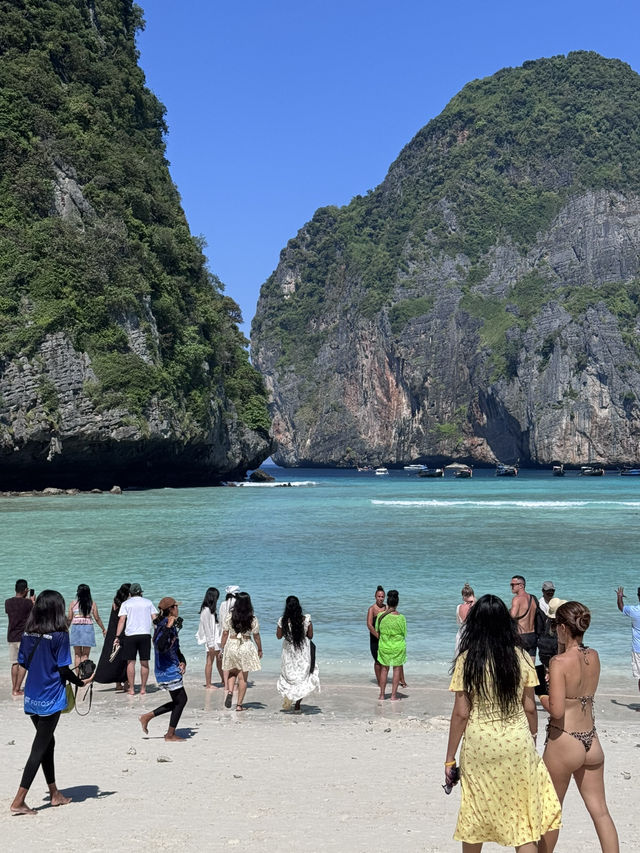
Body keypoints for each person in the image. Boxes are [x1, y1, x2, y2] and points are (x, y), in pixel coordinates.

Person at [445, 594, 561, 852]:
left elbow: (461, 714)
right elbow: (530, 707)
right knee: (522, 820)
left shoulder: (467, 660)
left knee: (474, 813)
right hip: (516, 742)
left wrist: (450, 758)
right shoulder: (521, 656)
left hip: (480, 744)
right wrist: (531, 738)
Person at [539, 601, 619, 853]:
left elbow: (558, 709)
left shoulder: (559, 662)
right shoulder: (593, 656)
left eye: (555, 626)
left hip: (565, 739)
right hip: (591, 740)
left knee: (551, 812)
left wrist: (540, 695)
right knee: (601, 812)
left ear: (563, 628)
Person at [10, 590, 92, 815]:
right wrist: (82, 682)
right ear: (57, 610)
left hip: (32, 697)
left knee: (48, 743)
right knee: (39, 747)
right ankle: (19, 800)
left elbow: (23, 664)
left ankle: (54, 793)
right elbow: (64, 669)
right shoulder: (59, 636)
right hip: (51, 697)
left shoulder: (28, 633)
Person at [139, 597, 188, 742]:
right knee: (181, 700)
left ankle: (147, 717)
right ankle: (169, 734)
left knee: (179, 700)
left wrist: (182, 661)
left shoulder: (170, 625)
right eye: (176, 607)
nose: (178, 609)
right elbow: (159, 646)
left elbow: (175, 648)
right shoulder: (163, 626)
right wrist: (167, 628)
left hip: (172, 666)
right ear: (171, 609)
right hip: (166, 669)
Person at [276, 595, 320, 711]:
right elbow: (310, 636)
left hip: (288, 650)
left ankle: (289, 696)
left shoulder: (283, 620)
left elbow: (279, 636)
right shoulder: (306, 619)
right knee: (302, 676)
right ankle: (297, 703)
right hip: (303, 650)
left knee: (289, 675)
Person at [220, 591, 262, 711]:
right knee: (243, 678)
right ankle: (239, 705)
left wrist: (222, 648)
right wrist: (260, 648)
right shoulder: (252, 618)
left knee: (232, 672)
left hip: (232, 645)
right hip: (246, 646)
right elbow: (257, 636)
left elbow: (225, 633)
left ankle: (230, 691)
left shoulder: (230, 616)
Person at [113, 582, 158, 695]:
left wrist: (117, 636)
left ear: (130, 593)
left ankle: (132, 689)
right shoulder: (148, 602)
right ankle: (143, 689)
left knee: (130, 662)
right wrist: (157, 633)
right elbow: (155, 619)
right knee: (144, 662)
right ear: (141, 592)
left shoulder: (126, 604)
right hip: (145, 635)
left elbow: (122, 620)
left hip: (130, 636)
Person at [94, 583, 131, 692]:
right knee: (125, 658)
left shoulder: (115, 602)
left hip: (113, 632)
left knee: (115, 658)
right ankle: (126, 683)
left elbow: (112, 619)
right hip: (124, 633)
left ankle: (118, 683)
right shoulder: (127, 604)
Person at [375, 589, 406, 701]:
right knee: (397, 670)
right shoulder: (401, 618)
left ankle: (382, 695)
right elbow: (404, 633)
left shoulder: (380, 616)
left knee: (384, 669)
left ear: (387, 602)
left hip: (384, 646)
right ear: (397, 603)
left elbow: (377, 631)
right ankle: (393, 696)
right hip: (398, 646)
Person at [5, 579, 34, 696]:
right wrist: (33, 603)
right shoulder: (28, 603)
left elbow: (12, 613)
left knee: (14, 663)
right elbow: (34, 614)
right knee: (24, 663)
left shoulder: (8, 602)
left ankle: (14, 689)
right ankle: (17, 689)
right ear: (26, 590)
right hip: (23, 636)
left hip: (11, 636)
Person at [67, 584, 106, 670]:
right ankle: (85, 677)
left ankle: (78, 677)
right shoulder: (92, 604)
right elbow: (97, 618)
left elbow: (69, 618)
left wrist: (65, 629)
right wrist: (103, 629)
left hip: (76, 629)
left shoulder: (73, 604)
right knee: (85, 655)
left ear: (78, 592)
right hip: (88, 629)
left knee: (77, 654)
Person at [196, 587, 223, 689]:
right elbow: (206, 629)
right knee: (209, 661)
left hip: (216, 639)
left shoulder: (211, 610)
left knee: (219, 661)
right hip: (211, 640)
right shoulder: (205, 611)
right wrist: (210, 644)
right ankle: (208, 684)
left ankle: (223, 680)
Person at [616, 585, 640, 694]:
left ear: (638, 596)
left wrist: (619, 596)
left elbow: (621, 607)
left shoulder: (634, 611)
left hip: (637, 649)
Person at [510, 574, 538, 661]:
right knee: (531, 666)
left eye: (513, 585)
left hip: (521, 636)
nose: (511, 587)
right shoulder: (533, 598)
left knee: (518, 665)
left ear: (521, 585)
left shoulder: (517, 599)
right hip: (533, 635)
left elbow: (512, 616)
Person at [219, 585, 239, 692]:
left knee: (225, 662)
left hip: (225, 633)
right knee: (236, 662)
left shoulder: (223, 604)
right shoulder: (238, 603)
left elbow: (221, 619)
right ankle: (235, 684)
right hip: (235, 635)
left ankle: (226, 685)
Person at [367, 585, 386, 684]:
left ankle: (383, 679)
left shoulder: (386, 608)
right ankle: (379, 681)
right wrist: (377, 635)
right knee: (377, 660)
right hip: (374, 638)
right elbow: (369, 625)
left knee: (384, 660)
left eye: (382, 596)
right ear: (375, 597)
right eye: (379, 596)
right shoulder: (372, 609)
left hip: (385, 638)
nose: (380, 598)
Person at [455, 583, 476, 654]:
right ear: (473, 595)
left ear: (463, 596)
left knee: (460, 657)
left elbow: (458, 622)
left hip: (461, 634)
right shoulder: (475, 607)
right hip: (473, 634)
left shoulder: (459, 607)